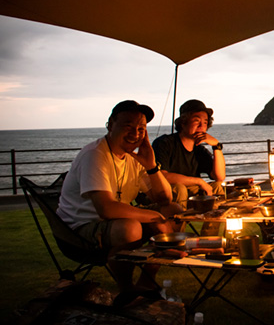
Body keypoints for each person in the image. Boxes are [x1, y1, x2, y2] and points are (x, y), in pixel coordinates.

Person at [57, 100, 182, 292]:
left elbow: (165, 199)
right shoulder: (95, 154)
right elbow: (106, 209)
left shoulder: (132, 157)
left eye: (141, 128)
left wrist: (151, 166)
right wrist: (154, 217)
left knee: (174, 211)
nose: (135, 134)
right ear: (110, 125)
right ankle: (127, 289)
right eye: (128, 126)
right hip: (79, 229)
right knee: (130, 227)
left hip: (114, 222)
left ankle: (147, 280)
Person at [152, 99, 226, 207]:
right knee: (180, 188)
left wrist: (216, 146)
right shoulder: (164, 143)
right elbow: (162, 176)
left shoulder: (199, 150)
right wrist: (199, 182)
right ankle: (176, 223)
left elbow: (219, 177)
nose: (201, 126)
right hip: (166, 191)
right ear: (183, 122)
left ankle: (214, 220)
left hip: (191, 192)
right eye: (196, 121)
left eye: (205, 122)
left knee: (217, 186)